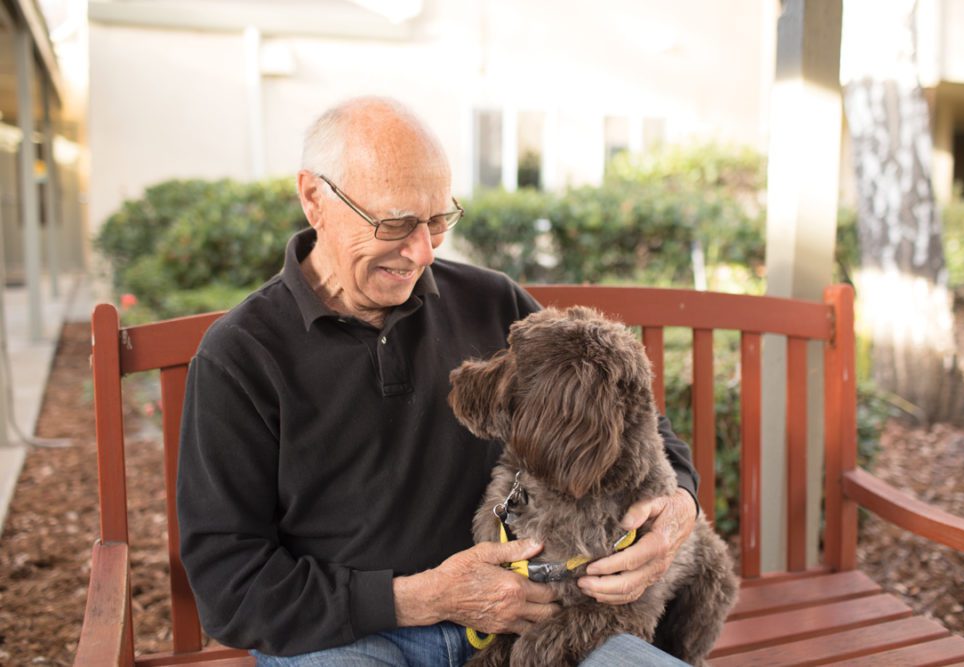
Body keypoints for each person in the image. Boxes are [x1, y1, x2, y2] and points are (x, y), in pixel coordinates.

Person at [177, 96, 700, 666]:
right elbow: (232, 588)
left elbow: (637, 426)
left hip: (534, 625)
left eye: (438, 221)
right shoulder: (241, 357)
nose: (422, 251)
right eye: (395, 223)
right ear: (313, 199)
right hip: (347, 638)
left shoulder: (492, 301)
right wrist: (421, 599)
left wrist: (678, 508)